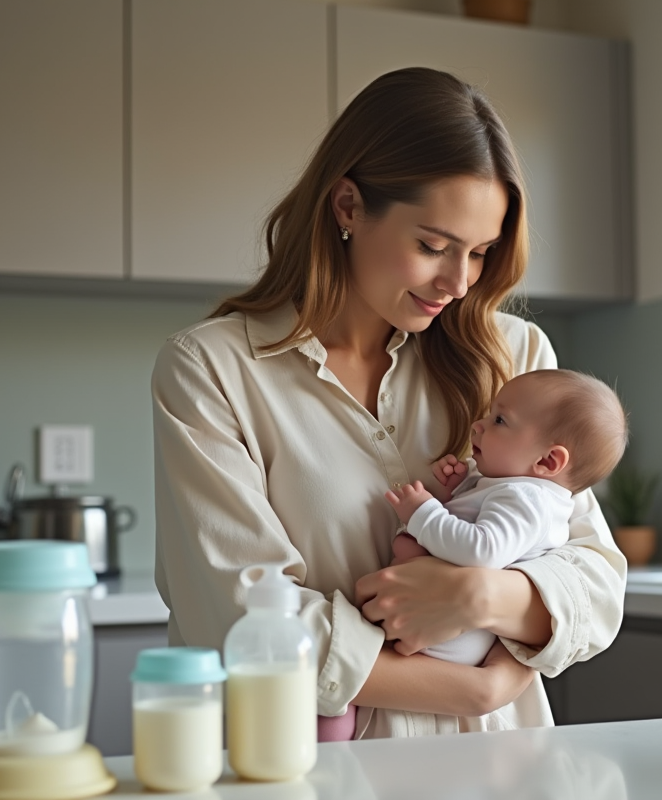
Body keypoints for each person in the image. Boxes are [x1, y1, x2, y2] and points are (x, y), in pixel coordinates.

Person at [151, 66, 627, 741]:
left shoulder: (517, 360)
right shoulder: (212, 370)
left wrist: (480, 594)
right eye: (432, 246)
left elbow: (596, 584)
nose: (458, 282)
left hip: (502, 768)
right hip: (308, 769)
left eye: (480, 253)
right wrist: (480, 687)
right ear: (348, 206)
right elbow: (237, 616)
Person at [315, 370, 627, 741]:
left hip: (441, 642)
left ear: (547, 461)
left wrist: (424, 513)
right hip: (437, 636)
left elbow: (483, 550)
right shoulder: (516, 489)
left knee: (332, 709)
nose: (478, 425)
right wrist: (460, 490)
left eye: (500, 420)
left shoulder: (526, 499)